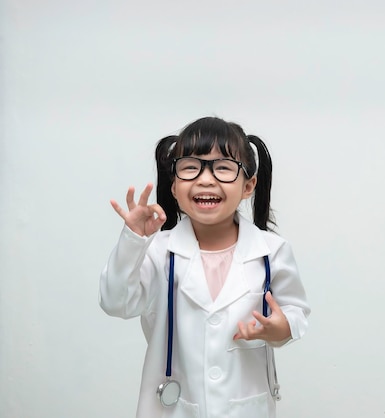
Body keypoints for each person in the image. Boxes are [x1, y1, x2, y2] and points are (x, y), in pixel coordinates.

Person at [99, 116, 310, 418]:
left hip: (245, 407)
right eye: (190, 167)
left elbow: (296, 311)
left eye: (223, 167)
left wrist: (281, 329)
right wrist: (133, 241)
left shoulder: (272, 251)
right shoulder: (158, 251)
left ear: (248, 185)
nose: (205, 179)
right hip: (173, 408)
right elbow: (116, 302)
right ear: (174, 186)